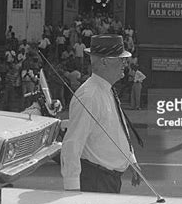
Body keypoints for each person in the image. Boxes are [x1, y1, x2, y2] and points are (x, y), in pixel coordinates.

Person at [61, 34, 143, 193]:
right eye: (121, 59)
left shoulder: (107, 89)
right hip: (96, 180)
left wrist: (131, 160)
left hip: (108, 180)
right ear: (104, 61)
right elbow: (72, 145)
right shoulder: (89, 96)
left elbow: (118, 128)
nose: (124, 64)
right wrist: (72, 191)